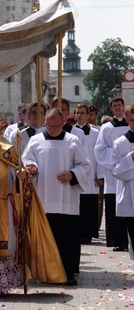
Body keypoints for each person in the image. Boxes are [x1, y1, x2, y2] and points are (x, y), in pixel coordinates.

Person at [0, 117, 67, 299]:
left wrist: (21, 176)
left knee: (7, 244)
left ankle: (2, 285)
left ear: (0, 132)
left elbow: (17, 173)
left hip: (5, 205)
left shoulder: (8, 151)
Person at [22, 108, 91, 286]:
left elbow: (85, 165)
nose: (52, 129)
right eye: (49, 125)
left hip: (67, 199)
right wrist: (32, 168)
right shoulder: (36, 140)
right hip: (43, 199)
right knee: (46, 238)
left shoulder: (72, 140)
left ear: (63, 123)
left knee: (68, 238)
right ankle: (44, 272)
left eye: (56, 126)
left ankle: (68, 273)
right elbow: (26, 160)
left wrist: (72, 174)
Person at [95, 97, 129, 251]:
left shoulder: (131, 123)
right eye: (114, 106)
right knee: (114, 206)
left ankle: (129, 240)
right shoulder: (106, 127)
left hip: (131, 171)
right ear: (111, 108)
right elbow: (100, 150)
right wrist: (117, 155)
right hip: (113, 173)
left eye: (119, 105)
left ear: (124, 106)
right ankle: (116, 240)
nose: (117, 108)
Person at [74, 104, 103, 243]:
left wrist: (100, 174)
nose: (79, 115)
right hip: (77, 173)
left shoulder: (96, 133)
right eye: (77, 113)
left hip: (91, 174)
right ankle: (78, 233)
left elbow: (99, 156)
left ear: (87, 115)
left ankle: (89, 233)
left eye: (82, 113)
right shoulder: (71, 132)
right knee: (78, 205)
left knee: (90, 205)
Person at [112, 105, 134, 257]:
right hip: (130, 194)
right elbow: (115, 170)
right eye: (132, 120)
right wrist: (130, 157)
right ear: (126, 119)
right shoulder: (120, 143)